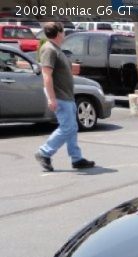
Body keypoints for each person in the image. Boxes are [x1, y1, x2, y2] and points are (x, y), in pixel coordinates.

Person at [34, 22, 95, 172]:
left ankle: (77, 158)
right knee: (67, 127)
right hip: (59, 96)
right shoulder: (49, 50)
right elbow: (46, 75)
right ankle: (44, 152)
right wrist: (51, 98)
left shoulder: (56, 49)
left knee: (72, 128)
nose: (65, 34)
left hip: (66, 95)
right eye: (63, 31)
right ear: (59, 33)